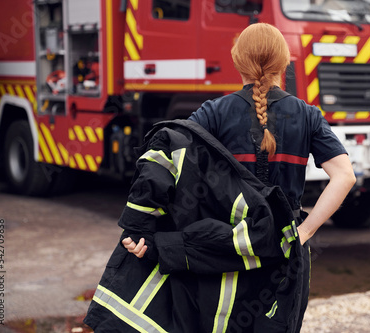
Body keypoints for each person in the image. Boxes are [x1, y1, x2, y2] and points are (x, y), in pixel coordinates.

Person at [118, 23, 356, 332]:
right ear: (284, 62)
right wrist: (305, 231)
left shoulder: (213, 112)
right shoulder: (307, 115)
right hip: (284, 249)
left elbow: (167, 159)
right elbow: (344, 176)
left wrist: (142, 229)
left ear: (237, 61)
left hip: (226, 248)